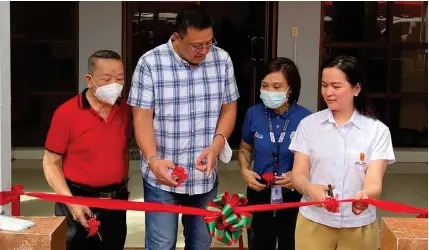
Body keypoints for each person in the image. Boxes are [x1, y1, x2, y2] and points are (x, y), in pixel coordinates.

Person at [127, 4, 239, 250]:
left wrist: (216, 146)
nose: (204, 50)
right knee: (161, 244)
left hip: (204, 177)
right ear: (177, 37)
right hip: (162, 177)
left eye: (209, 42)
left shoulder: (221, 60)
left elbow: (229, 109)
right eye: (196, 45)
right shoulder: (150, 63)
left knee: (200, 244)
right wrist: (154, 160)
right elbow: (142, 118)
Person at [290, 55, 395, 250]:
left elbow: (374, 182)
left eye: (336, 86)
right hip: (314, 222)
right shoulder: (309, 125)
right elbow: (298, 174)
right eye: (324, 85)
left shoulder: (377, 131)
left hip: (359, 225)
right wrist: (309, 188)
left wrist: (366, 196)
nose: (328, 92)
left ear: (356, 88)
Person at [43, 50, 131, 250]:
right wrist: (71, 203)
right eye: (106, 79)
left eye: (120, 78)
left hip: (115, 203)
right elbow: (50, 162)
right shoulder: (66, 113)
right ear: (89, 80)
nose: (114, 85)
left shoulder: (125, 111)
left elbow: (123, 150)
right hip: (75, 200)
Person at [238, 57, 312, 250]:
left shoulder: (306, 119)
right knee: (260, 242)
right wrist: (245, 171)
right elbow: (246, 148)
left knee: (292, 242)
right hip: (259, 189)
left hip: (293, 192)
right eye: (265, 86)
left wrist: (297, 175)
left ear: (290, 90)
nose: (270, 91)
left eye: (277, 87)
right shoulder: (253, 114)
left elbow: (316, 158)